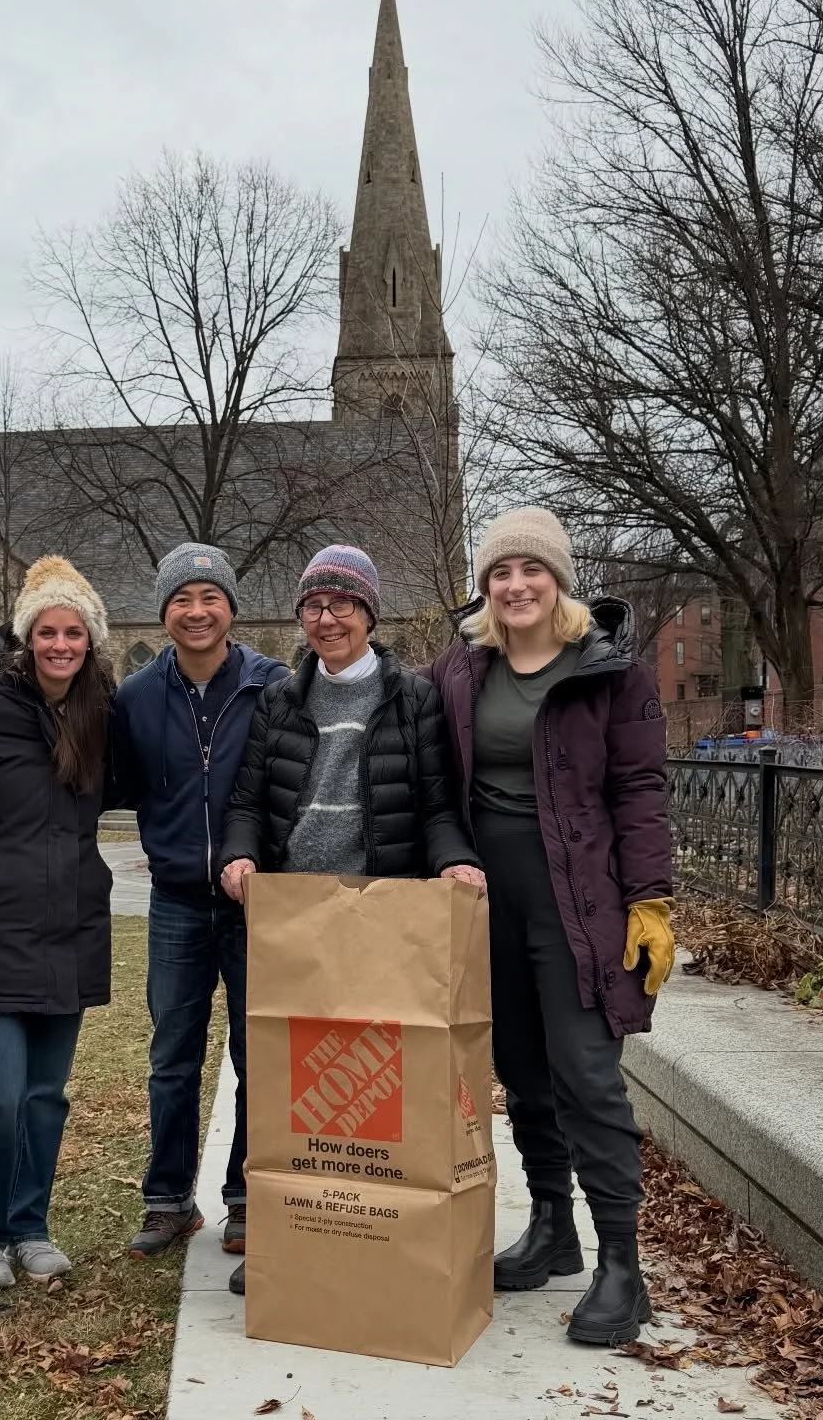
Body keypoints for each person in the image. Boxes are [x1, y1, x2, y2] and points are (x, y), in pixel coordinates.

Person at [426, 507, 674, 1347]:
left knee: (586, 1075)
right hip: (484, 901)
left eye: (531, 570)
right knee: (522, 1069)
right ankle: (551, 1228)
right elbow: (433, 781)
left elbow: (640, 791)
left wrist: (651, 898)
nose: (515, 585)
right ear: (485, 587)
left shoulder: (610, 672)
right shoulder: (461, 669)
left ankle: (622, 1266)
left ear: (558, 580)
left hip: (579, 903)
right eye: (500, 573)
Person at [219, 543, 485, 1296]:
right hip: (295, 918)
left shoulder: (413, 698)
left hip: (380, 912)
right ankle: (289, 1236)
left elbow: (435, 806)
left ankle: (382, 1232)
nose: (326, 618)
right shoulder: (278, 699)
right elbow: (246, 802)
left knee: (373, 1078)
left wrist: (453, 862)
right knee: (291, 1079)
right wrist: (237, 857)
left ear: (368, 612)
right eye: (313, 605)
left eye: (342, 604)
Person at [111, 543, 289, 1267]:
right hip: (178, 901)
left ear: (230, 609)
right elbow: (114, 782)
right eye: (181, 598)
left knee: (259, 1056)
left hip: (258, 903)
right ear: (164, 612)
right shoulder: (136, 696)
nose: (196, 610)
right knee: (172, 1057)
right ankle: (168, 1199)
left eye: (209, 596)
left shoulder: (273, 686)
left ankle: (248, 1200)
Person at [0, 557, 116, 1292]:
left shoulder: (100, 711)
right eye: (47, 631)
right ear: (26, 639)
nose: (60, 644)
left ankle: (30, 1226)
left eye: (72, 632)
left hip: (70, 929)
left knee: (47, 1095)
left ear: (90, 642)